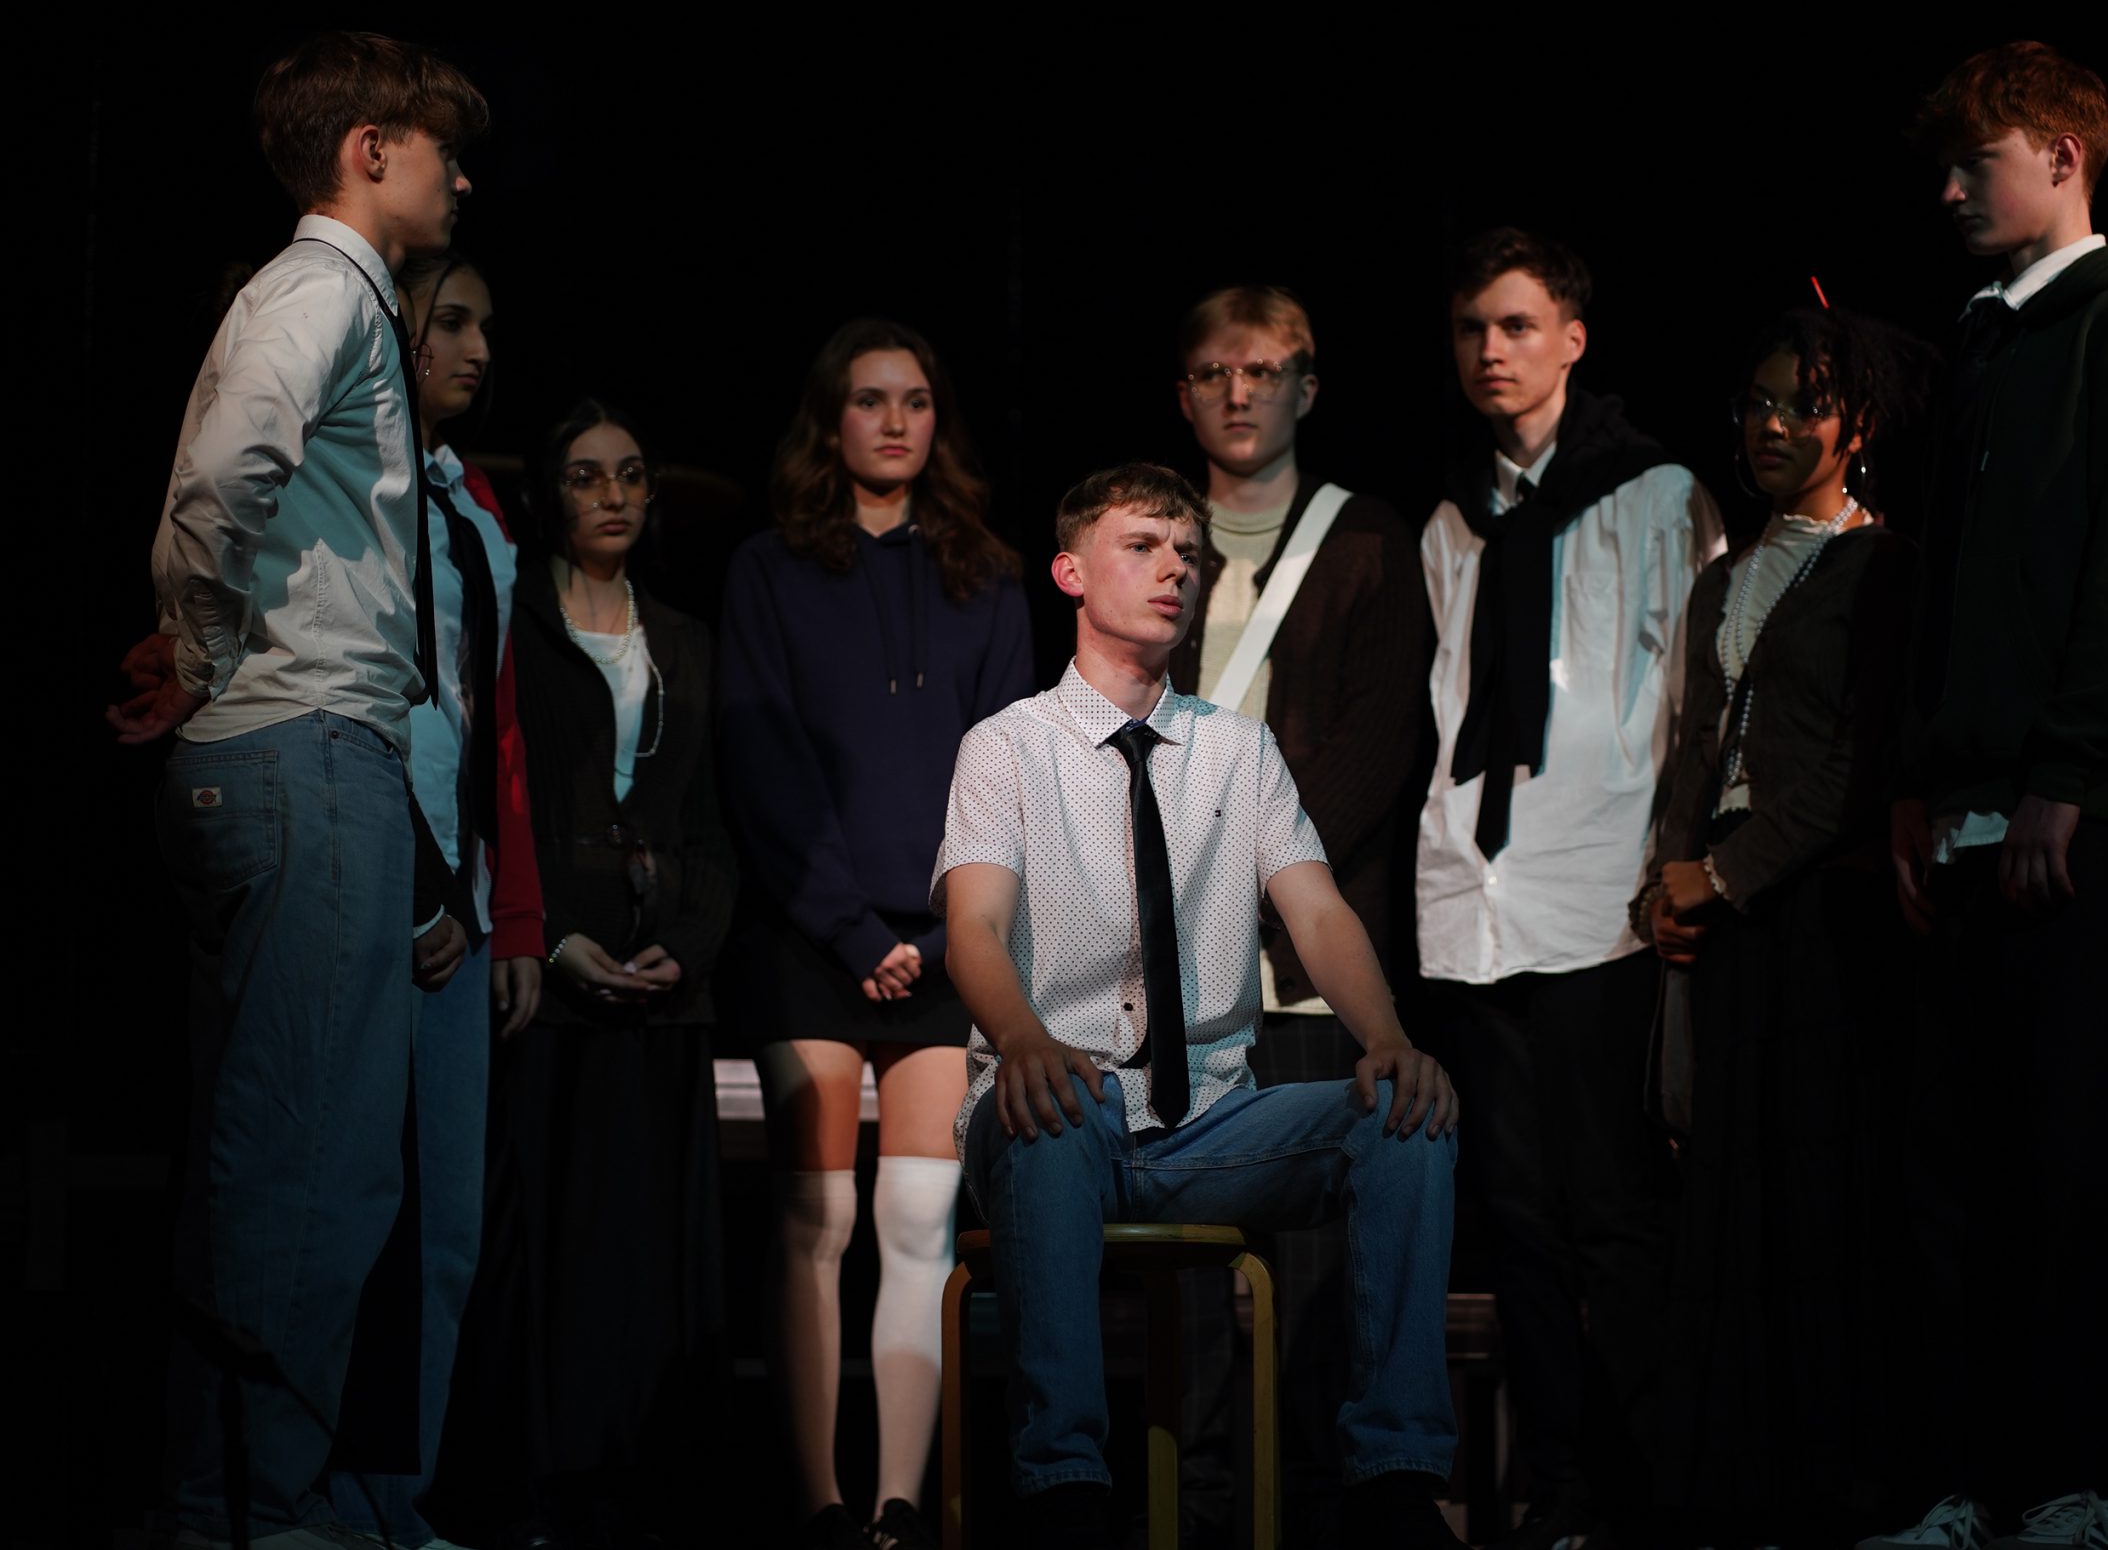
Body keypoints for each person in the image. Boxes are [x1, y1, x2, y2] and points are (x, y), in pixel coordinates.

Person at [936, 462, 1466, 1550]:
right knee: (1062, 1104)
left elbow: (1315, 911)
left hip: (1208, 1125)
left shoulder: (1237, 749)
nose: (1174, 567)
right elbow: (973, 926)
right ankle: (1066, 1490)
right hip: (1053, 1113)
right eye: (1143, 546)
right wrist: (1025, 1039)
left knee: (1403, 1115)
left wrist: (1388, 1039)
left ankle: (1395, 1478)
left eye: (1187, 551)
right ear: (1071, 572)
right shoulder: (1008, 745)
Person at [108, 30, 484, 1548]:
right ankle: (275, 1511)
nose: (462, 178)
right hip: (305, 756)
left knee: (268, 1154)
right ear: (369, 151)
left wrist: (202, 652)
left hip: (295, 758)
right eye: (443, 147)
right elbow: (219, 479)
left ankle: (240, 1499)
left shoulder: (323, 298)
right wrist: (204, 649)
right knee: (316, 1167)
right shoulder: (323, 287)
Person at [1861, 41, 2108, 1550]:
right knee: (1962, 1172)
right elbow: (1947, 593)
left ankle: (2100, 1486)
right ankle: (1973, 1487)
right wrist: (1916, 782)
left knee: (2085, 1160)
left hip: (2079, 817)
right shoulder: (1988, 341)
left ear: (2062, 156)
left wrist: (2068, 777)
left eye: (1978, 162)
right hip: (1968, 815)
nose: (1950, 191)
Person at [1408, 226, 1719, 1548]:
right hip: (1473, 896)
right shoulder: (1449, 514)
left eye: (1518, 325)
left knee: (1613, 1210)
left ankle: (1649, 1484)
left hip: (1603, 892)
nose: (1492, 350)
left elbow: (1693, 701)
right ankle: (1556, 1485)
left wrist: (1679, 862)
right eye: (1473, 328)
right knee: (1516, 1213)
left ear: (1573, 339)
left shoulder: (1657, 495)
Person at [719, 320, 1034, 1550]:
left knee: (917, 1222)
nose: (894, 421)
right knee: (817, 1222)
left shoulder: (987, 576)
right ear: (829, 419)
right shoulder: (768, 569)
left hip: (942, 942)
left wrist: (952, 930)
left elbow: (1006, 765)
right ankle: (819, 1504)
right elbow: (761, 760)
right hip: (811, 935)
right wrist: (849, 926)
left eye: (914, 400)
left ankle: (901, 1504)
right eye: (868, 400)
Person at [1630, 307, 1927, 1546]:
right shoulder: (1721, 576)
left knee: (1818, 1191)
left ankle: (1836, 1486)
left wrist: (1729, 873)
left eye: (1802, 405)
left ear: (1857, 425)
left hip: (1823, 912)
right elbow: (1693, 747)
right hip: (1725, 913)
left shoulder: (1882, 565)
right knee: (1724, 1195)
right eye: (1755, 403)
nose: (1770, 424)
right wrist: (1665, 884)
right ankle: (1730, 1486)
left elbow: (1860, 761)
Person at [433, 401, 739, 1547]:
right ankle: (535, 1492)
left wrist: (690, 945)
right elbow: (489, 789)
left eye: (631, 474)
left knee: (650, 1257)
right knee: (547, 1247)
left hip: (665, 987)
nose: (612, 494)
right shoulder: (511, 618)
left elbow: (711, 824)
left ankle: (641, 1495)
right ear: (549, 496)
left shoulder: (687, 637)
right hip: (550, 985)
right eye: (585, 475)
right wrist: (549, 935)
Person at [1163, 285, 1433, 1548]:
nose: (1238, 392)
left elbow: (1380, 746)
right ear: (1183, 393)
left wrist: (1243, 868)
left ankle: (1323, 1513)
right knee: (1184, 1273)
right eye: (1215, 371)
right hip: (1168, 971)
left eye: (1263, 370)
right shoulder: (1151, 536)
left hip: (1307, 960)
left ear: (1306, 389)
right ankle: (1195, 1510)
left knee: (1320, 1278)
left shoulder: (1367, 539)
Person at [310, 250, 549, 1548]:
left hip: (463, 886)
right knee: (353, 1211)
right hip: (371, 870)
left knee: (448, 1225)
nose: (478, 348)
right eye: (450, 323)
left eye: (483, 326)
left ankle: (400, 1507)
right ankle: (320, 1500)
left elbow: (491, 717)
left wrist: (511, 913)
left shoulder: (473, 496)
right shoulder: (356, 474)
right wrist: (409, 880)